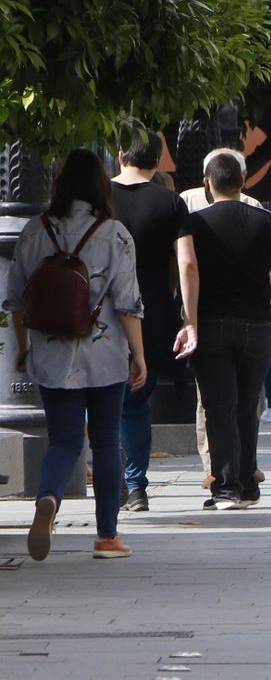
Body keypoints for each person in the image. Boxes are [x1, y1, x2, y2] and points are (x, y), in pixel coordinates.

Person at [7, 150, 146, 561]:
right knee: (105, 441)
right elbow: (128, 304)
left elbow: (17, 299)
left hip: (51, 351)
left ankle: (47, 499)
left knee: (64, 439)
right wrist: (139, 354)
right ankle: (106, 537)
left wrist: (25, 347)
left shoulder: (35, 230)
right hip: (104, 354)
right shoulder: (115, 233)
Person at [189, 152, 271, 510]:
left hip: (211, 323)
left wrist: (188, 319)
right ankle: (248, 483)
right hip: (257, 324)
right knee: (246, 404)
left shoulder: (194, 223)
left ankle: (226, 487)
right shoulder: (270, 222)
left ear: (208, 183)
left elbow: (185, 271)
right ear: (244, 180)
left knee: (218, 405)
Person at [110, 127, 199, 513]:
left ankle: (108, 475)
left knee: (98, 397)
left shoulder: (99, 198)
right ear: (159, 160)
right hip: (152, 304)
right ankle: (135, 485)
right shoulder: (171, 202)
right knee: (137, 399)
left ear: (119, 154)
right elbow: (187, 262)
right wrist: (188, 317)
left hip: (101, 303)